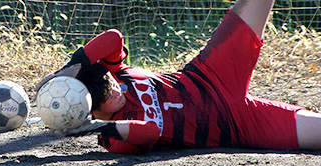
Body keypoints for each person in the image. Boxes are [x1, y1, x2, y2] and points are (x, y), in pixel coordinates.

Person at [36, 0, 321, 154]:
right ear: (93, 112)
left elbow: (114, 37)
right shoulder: (114, 137)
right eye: (104, 98)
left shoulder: (116, 75)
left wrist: (74, 64)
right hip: (238, 125)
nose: (113, 91)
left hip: (210, 75)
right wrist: (91, 128)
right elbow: (150, 133)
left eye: (109, 84)